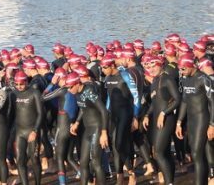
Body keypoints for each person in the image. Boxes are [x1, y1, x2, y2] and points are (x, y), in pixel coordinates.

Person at [175, 54, 214, 185]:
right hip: (191, 121)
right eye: (180, 69)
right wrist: (179, 122)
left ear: (191, 65)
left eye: (183, 69)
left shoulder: (204, 79)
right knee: (197, 153)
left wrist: (212, 124)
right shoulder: (186, 79)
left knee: (197, 154)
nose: (181, 71)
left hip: (203, 120)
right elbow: (184, 102)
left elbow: (213, 102)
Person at [142, 56, 181, 185]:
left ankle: (169, 182)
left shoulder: (167, 79)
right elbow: (155, 102)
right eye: (149, 67)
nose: (151, 69)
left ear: (161, 65)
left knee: (158, 152)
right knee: (165, 152)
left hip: (167, 119)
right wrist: (147, 115)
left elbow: (177, 99)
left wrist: (164, 113)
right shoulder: (155, 80)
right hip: (157, 119)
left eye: (154, 66)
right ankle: (171, 180)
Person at [101, 54, 137, 185]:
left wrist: (135, 116)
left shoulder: (124, 75)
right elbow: (109, 99)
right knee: (115, 148)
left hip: (125, 114)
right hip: (114, 115)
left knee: (119, 144)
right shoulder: (107, 78)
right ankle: (120, 176)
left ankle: (132, 173)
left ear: (112, 65)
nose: (103, 70)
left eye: (105, 67)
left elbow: (136, 96)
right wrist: (107, 113)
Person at [69, 69, 109, 185]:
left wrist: (104, 132)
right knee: (83, 162)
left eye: (70, 87)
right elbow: (83, 107)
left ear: (77, 84)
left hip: (97, 128)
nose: (69, 90)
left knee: (96, 163)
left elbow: (104, 111)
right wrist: (76, 122)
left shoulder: (89, 91)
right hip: (88, 129)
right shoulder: (76, 93)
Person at [42, 70, 80, 184]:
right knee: (68, 157)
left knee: (59, 158)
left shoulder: (62, 90)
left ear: (59, 78)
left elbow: (42, 97)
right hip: (73, 127)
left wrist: (51, 84)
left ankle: (62, 183)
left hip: (62, 128)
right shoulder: (77, 90)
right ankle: (83, 174)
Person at [12, 71, 43, 185]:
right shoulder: (14, 93)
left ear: (26, 82)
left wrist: (35, 131)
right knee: (20, 160)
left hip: (32, 131)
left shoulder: (34, 93)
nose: (19, 87)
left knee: (35, 160)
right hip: (20, 132)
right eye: (17, 84)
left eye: (21, 84)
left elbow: (41, 114)